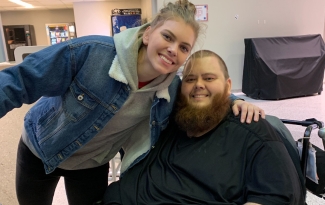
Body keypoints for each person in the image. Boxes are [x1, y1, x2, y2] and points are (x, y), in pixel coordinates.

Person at [0, 1, 264, 204]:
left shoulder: (171, 89)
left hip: (91, 164)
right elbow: (18, 81)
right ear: (148, 34)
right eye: (168, 37)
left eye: (184, 47)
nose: (174, 49)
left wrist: (235, 101)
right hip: (40, 149)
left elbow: (203, 93)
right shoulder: (91, 53)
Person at [102, 50, 305, 205]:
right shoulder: (169, 119)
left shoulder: (252, 132)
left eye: (209, 78)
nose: (198, 84)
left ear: (228, 86)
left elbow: (278, 196)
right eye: (190, 79)